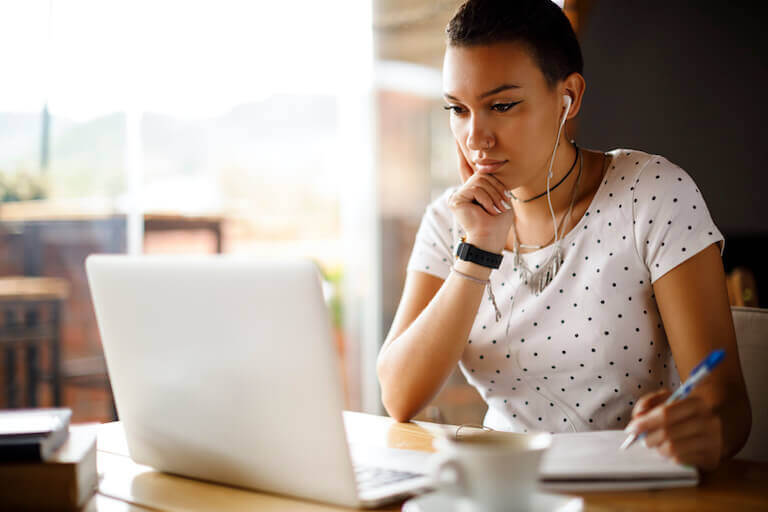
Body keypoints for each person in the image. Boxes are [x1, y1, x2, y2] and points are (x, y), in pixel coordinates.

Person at [376, 0, 751, 472]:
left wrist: (705, 430)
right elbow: (399, 396)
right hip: (502, 486)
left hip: (628, 484)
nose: (476, 137)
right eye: (458, 109)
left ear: (568, 97)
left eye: (502, 105)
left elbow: (730, 405)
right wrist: (477, 254)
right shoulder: (450, 220)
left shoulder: (651, 194)